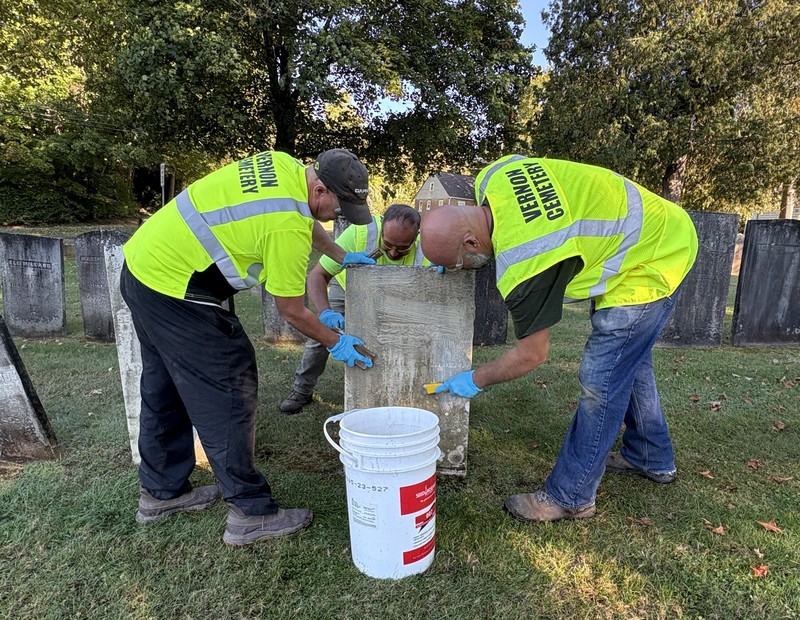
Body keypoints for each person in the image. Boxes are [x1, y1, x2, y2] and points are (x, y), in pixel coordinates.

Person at [120, 148, 377, 545]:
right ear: (321, 188)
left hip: (144, 270)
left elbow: (306, 221)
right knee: (229, 384)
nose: (337, 217)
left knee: (165, 386)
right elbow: (292, 310)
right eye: (338, 208)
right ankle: (250, 513)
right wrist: (337, 342)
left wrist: (342, 255)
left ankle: (161, 492)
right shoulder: (286, 226)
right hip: (178, 289)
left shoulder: (286, 167)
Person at [421, 154, 697, 523]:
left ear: (471, 241)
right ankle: (650, 456)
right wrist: (444, 252)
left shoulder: (525, 260)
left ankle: (571, 496)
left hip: (653, 259)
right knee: (631, 362)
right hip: (662, 226)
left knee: (602, 382)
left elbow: (532, 354)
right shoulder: (494, 174)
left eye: (459, 263)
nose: (463, 270)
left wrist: (475, 379)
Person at [280, 203, 427, 414]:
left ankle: (393, 389)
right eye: (388, 244)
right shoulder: (359, 233)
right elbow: (317, 276)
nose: (393, 253)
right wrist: (325, 313)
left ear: (416, 237)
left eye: (403, 248)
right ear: (382, 226)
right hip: (347, 287)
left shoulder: (427, 246)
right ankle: (301, 389)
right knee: (320, 336)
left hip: (394, 295)